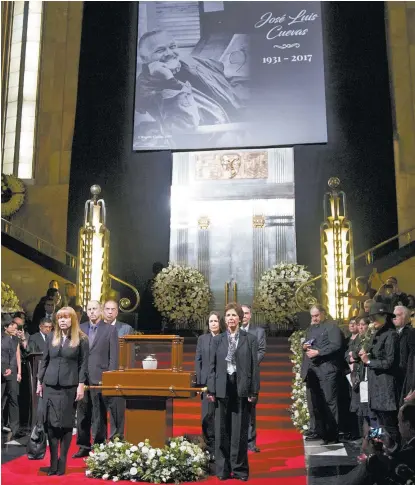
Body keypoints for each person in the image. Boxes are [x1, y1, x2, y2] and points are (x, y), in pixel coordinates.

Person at [135, 30, 243, 142]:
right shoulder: (145, 90)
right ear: (145, 59)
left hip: (238, 133)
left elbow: (230, 82)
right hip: (207, 144)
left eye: (172, 46)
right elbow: (186, 125)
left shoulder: (194, 63)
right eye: (160, 50)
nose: (170, 53)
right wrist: (169, 80)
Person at [207, 302, 259, 481]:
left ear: (240, 318)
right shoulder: (217, 340)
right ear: (225, 319)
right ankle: (222, 469)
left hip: (241, 388)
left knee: (239, 432)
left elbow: (254, 368)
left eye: (234, 315)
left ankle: (239, 470)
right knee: (222, 431)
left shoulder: (249, 339)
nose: (231, 318)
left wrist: (254, 391)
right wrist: (211, 389)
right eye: (228, 315)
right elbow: (211, 367)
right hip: (222, 387)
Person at [36, 307, 88, 475]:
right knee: (50, 425)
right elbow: (44, 360)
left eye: (65, 318)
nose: (62, 321)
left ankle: (62, 462)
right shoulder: (51, 337)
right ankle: (52, 463)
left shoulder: (81, 339)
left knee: (64, 424)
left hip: (69, 386)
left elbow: (83, 364)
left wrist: (81, 384)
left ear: (72, 320)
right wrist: (39, 382)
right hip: (50, 385)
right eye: (60, 318)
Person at [73, 300, 118, 458]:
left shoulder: (110, 330)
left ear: (101, 311)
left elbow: (113, 357)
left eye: (94, 309)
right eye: (89, 309)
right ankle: (83, 445)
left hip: (100, 377)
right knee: (83, 413)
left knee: (99, 413)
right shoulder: (81, 328)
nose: (92, 312)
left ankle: (99, 445)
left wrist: (109, 377)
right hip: (82, 377)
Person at [300, 304, 344, 444]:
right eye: (312, 316)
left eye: (317, 316)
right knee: (314, 402)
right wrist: (305, 346)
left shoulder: (332, 326)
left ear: (324, 313)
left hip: (326, 369)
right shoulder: (312, 328)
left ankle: (332, 433)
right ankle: (318, 430)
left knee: (329, 401)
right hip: (312, 370)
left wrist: (318, 352)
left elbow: (336, 344)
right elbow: (310, 342)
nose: (314, 319)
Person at [359, 302, 400, 443]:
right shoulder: (376, 334)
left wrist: (369, 362)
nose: (372, 321)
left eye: (375, 317)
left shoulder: (391, 335)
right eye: (371, 318)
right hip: (376, 388)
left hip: (385, 388)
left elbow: (389, 362)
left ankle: (393, 456)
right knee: (379, 427)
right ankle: (382, 455)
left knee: (389, 426)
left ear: (384, 316)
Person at [195, 311, 225, 459]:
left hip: (221, 382)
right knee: (206, 416)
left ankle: (220, 447)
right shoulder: (202, 339)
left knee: (219, 416)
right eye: (211, 321)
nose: (213, 323)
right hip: (206, 383)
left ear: (220, 323)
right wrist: (200, 384)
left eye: (216, 321)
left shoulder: (225, 338)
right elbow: (198, 361)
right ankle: (208, 446)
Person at [103, 300, 134, 440]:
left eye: (113, 309)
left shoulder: (126, 329)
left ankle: (117, 438)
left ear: (117, 311)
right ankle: (99, 440)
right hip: (100, 373)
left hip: (119, 375)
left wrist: (129, 374)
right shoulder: (97, 328)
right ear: (103, 310)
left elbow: (131, 354)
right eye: (107, 309)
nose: (110, 312)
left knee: (117, 409)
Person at [241, 304, 266, 453]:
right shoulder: (232, 331)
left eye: (246, 313)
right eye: (241, 313)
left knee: (250, 410)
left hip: (251, 375)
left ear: (250, 315)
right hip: (236, 375)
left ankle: (251, 442)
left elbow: (262, 350)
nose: (244, 316)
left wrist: (250, 363)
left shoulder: (259, 332)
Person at [1, 315, 21, 438]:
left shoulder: (15, 340)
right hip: (2, 370)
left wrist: (19, 372)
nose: (14, 328)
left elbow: (17, 355)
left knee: (14, 399)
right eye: (11, 326)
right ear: (5, 327)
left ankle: (15, 428)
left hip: (12, 371)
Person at [393, 306, 413, 402]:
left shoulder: (410, 332)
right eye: (393, 315)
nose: (394, 317)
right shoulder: (394, 332)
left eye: (397, 315)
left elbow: (412, 355)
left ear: (405, 317)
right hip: (396, 374)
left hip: (405, 374)